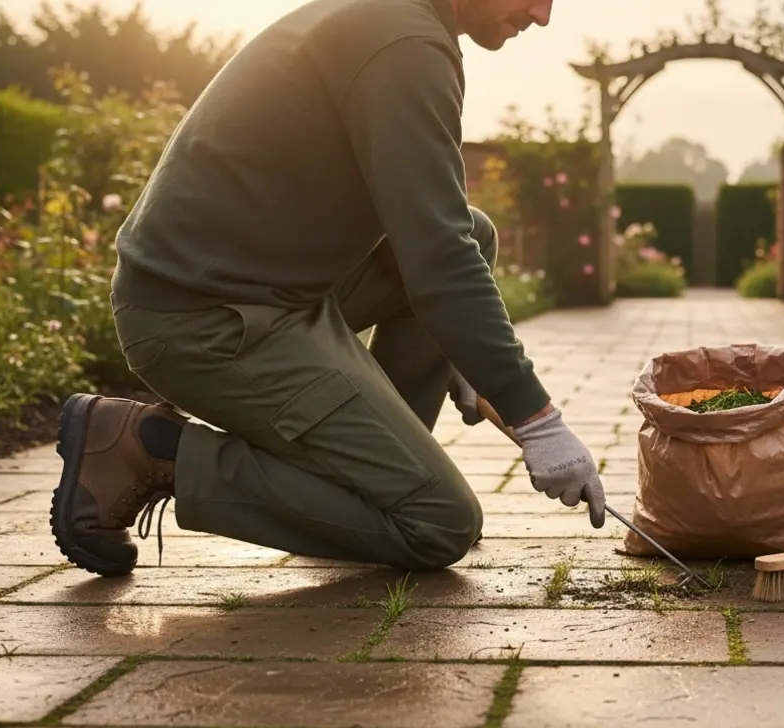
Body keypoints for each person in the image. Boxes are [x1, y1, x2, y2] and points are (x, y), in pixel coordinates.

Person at [47, 0, 608, 578]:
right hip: (204, 319)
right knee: (439, 522)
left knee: (476, 231)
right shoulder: (405, 45)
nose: (542, 14)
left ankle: (375, 478)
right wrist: (537, 421)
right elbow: (440, 258)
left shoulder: (397, 22)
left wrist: (462, 346)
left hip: (262, 287)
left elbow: (425, 234)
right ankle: (151, 450)